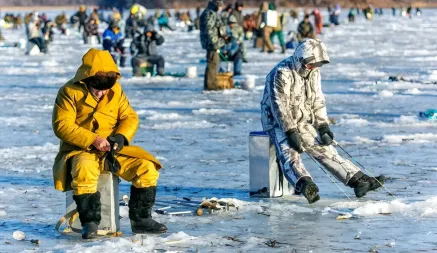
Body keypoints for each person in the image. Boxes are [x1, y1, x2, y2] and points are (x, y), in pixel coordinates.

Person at [52, 48, 166, 239]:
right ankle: (90, 222)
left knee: (147, 168)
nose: (102, 93)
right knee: (84, 170)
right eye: (98, 89)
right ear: (86, 81)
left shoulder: (116, 90)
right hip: (82, 149)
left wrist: (120, 137)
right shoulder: (68, 92)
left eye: (106, 89)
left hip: (112, 150)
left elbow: (129, 117)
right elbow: (62, 125)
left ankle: (141, 219)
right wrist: (92, 139)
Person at [260, 39, 385, 204]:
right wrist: (290, 132)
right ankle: (306, 185)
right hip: (277, 122)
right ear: (301, 59)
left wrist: (323, 126)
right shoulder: (282, 73)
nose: (315, 68)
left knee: (325, 149)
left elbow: (317, 100)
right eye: (312, 64)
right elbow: (279, 107)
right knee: (289, 153)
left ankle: (358, 181)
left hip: (301, 120)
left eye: (317, 65)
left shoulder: (313, 73)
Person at [200, 0, 226, 90]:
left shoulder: (210, 12)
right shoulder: (210, 13)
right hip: (212, 43)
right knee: (212, 63)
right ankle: (210, 84)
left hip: (212, 42)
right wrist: (215, 43)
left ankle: (212, 82)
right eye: (220, 5)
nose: (221, 7)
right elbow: (209, 30)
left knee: (215, 62)